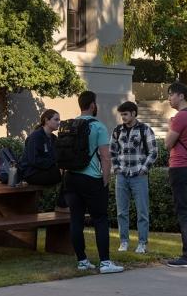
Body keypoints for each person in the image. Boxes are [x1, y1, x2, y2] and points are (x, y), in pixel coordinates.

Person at [63, 90, 124, 274]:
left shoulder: (71, 124)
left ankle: (82, 261)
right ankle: (105, 262)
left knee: (76, 220)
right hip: (91, 179)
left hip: (71, 178)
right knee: (100, 219)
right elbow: (105, 157)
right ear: (92, 105)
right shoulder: (98, 126)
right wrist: (105, 179)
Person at [110, 101, 158, 254]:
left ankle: (142, 243)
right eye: (121, 114)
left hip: (139, 176)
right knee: (121, 212)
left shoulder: (145, 130)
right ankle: (124, 242)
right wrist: (116, 168)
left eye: (125, 114)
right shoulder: (117, 131)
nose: (123, 117)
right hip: (122, 175)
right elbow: (112, 151)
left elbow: (154, 152)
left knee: (142, 212)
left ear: (133, 113)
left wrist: (144, 169)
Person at [164, 81, 187, 268]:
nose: (169, 98)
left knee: (183, 212)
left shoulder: (180, 117)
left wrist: (170, 125)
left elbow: (167, 144)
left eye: (171, 94)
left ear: (181, 96)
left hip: (180, 166)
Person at [19, 109, 62, 186]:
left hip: (45, 171)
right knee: (60, 176)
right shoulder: (36, 136)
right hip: (31, 173)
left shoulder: (54, 138)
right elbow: (34, 160)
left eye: (59, 120)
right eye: (56, 119)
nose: (58, 123)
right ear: (46, 120)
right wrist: (53, 163)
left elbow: (56, 156)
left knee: (66, 174)